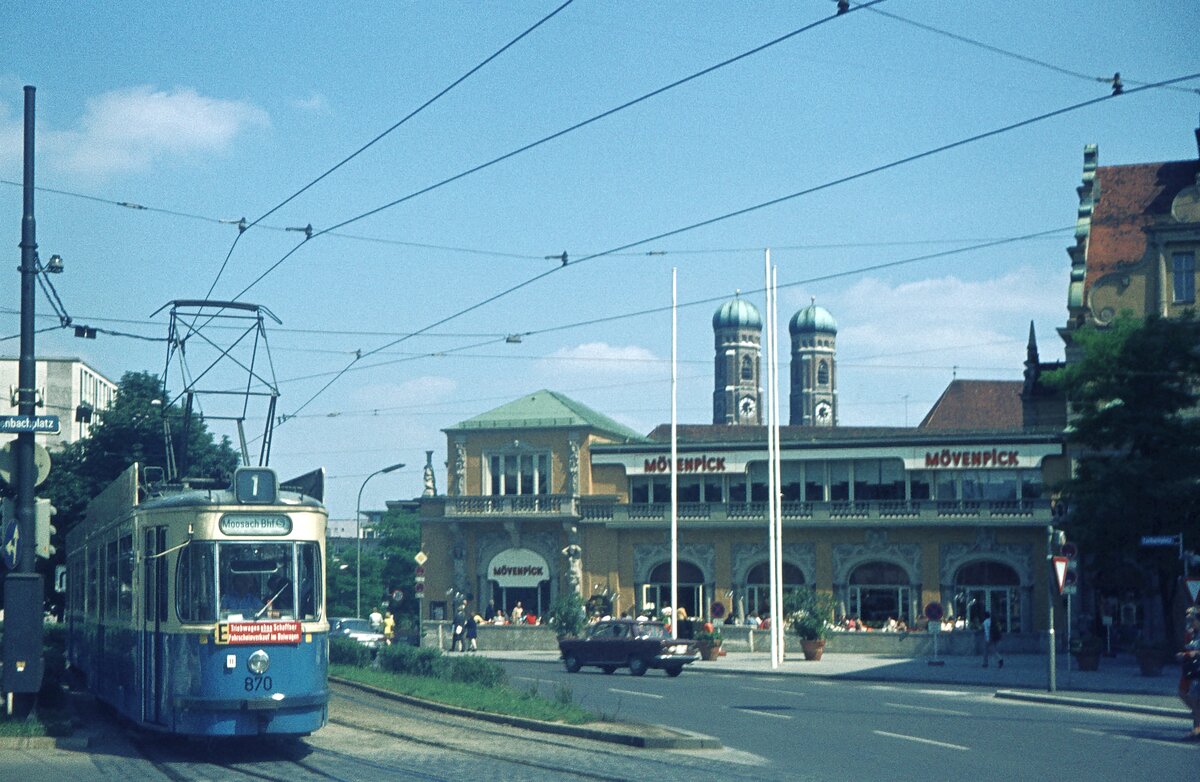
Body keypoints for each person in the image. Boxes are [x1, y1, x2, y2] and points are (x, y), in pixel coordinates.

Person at [1177, 608, 1200, 740]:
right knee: (1193, 699)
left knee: (1194, 700)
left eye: (1192, 620)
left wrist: (1190, 654)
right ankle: (1196, 729)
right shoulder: (1194, 633)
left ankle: (1197, 730)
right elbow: (1188, 645)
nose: (1190, 623)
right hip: (1195, 670)